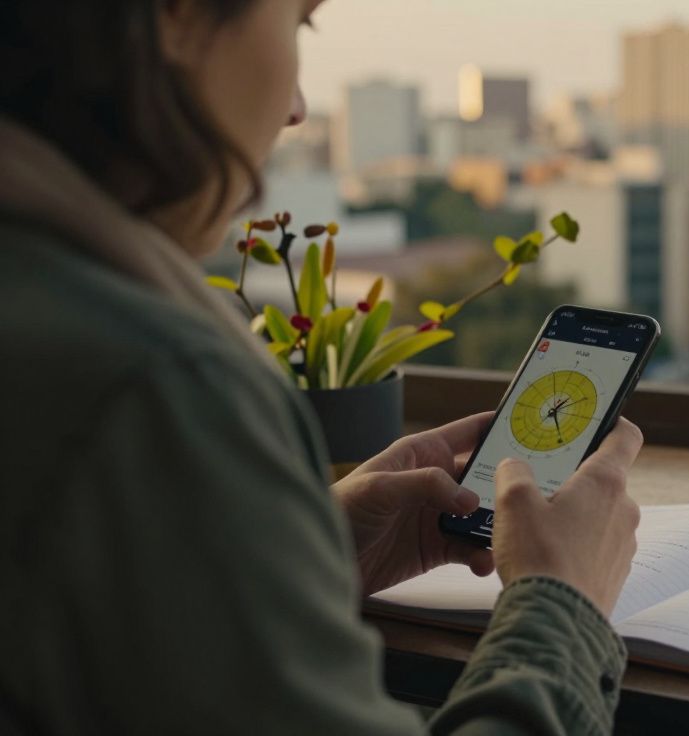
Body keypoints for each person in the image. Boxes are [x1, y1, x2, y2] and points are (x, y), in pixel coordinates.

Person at [0, 1, 643, 734]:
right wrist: (564, 609)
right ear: (174, 16)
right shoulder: (151, 385)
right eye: (298, 22)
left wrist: (294, 556)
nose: (298, 108)